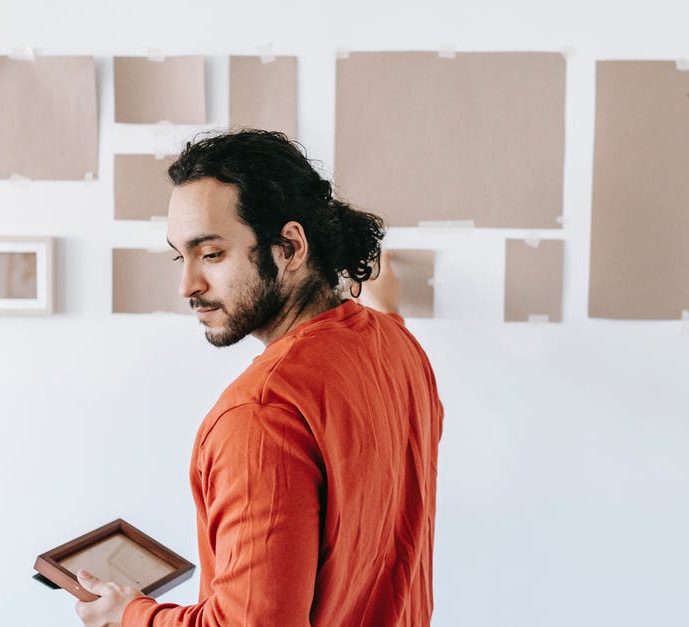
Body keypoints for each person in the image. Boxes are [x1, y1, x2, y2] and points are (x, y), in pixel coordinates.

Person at [74, 130, 443, 627]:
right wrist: (384, 301)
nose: (187, 286)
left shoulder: (260, 416)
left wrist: (130, 617)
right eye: (179, 256)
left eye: (211, 254)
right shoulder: (397, 348)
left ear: (289, 247)